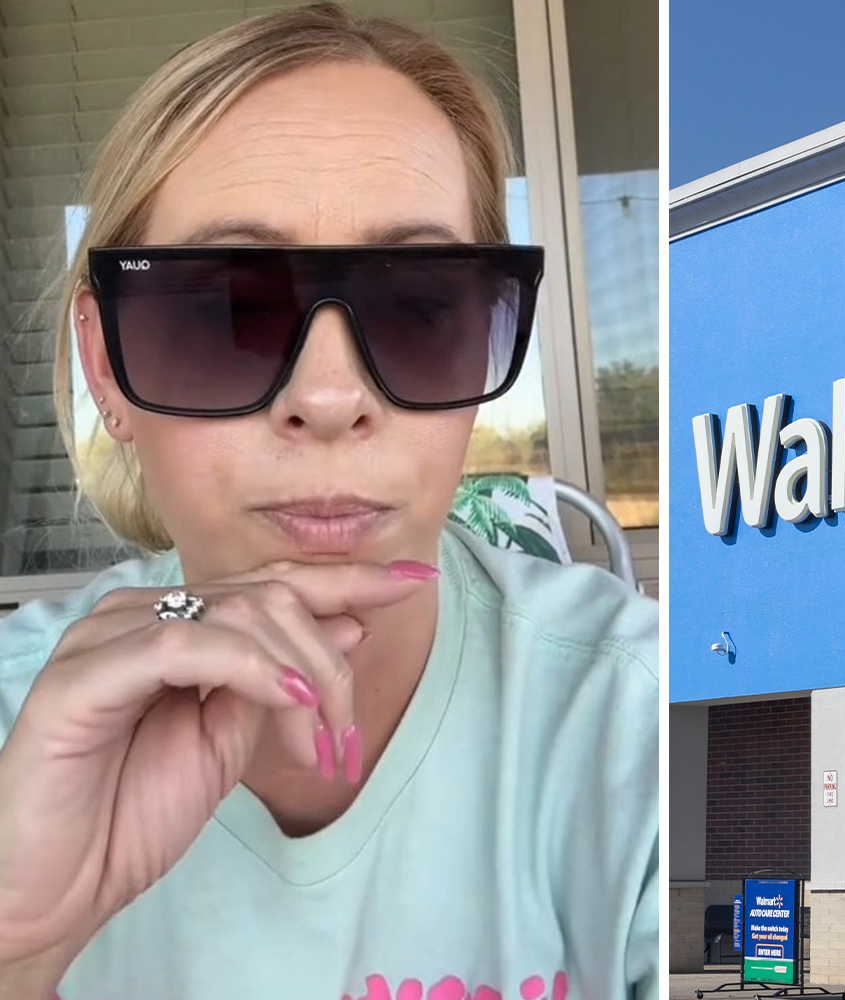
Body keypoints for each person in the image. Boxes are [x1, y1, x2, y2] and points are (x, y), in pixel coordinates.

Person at [0, 5, 659, 997]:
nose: (330, 395)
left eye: (420, 307)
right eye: (231, 308)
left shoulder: (634, 719)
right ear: (106, 367)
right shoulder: (17, 729)